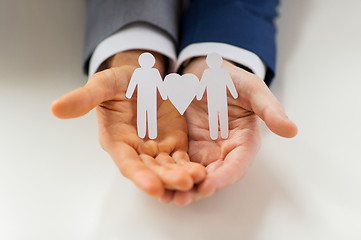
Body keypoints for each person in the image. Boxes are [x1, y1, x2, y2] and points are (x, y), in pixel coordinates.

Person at [51, 0, 298, 206]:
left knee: (217, 117)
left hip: (207, 99)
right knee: (148, 118)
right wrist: (131, 54)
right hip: (145, 101)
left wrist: (223, 57)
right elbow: (140, 86)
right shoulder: (140, 74)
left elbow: (221, 86)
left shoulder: (217, 74)